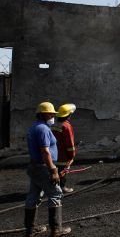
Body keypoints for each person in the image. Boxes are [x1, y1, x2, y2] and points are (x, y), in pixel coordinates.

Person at [24, 102, 71, 237]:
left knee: (34, 195)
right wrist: (53, 170)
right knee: (56, 194)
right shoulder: (43, 129)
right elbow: (45, 151)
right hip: (43, 167)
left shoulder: (34, 127)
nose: (53, 116)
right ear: (44, 114)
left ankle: (30, 229)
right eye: (51, 114)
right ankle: (56, 230)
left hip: (34, 166)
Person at [51, 104, 77, 194]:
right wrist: (72, 155)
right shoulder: (66, 126)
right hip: (63, 155)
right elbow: (69, 143)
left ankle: (51, 188)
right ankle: (62, 188)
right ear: (68, 115)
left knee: (53, 170)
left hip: (53, 153)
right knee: (63, 171)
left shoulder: (53, 123)